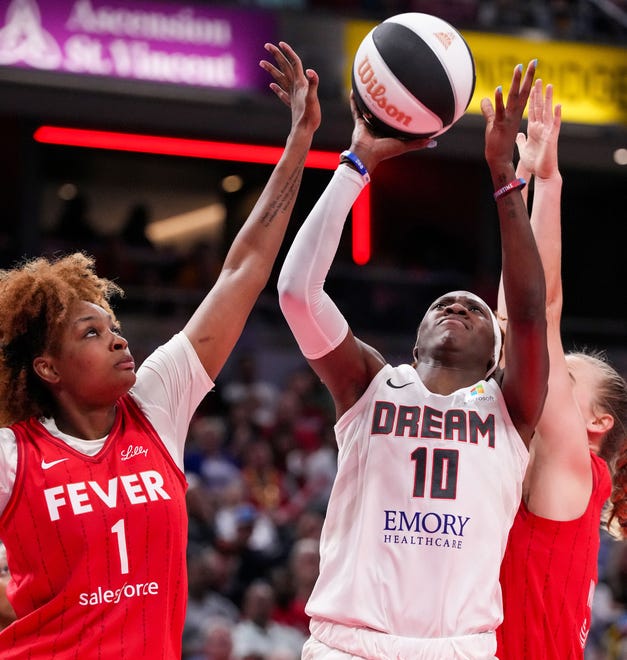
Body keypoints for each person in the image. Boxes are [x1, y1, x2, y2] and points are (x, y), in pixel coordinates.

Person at [0, 41, 320, 659]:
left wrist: (299, 143)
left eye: (113, 323)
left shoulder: (157, 404)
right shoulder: (15, 456)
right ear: (47, 368)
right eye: (90, 334)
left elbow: (242, 272)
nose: (118, 336)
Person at [277, 60, 548, 659]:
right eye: (443, 304)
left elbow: (530, 315)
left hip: (457, 647)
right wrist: (357, 164)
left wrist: (505, 176)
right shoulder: (370, 385)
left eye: (474, 308)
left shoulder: (511, 409)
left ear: (497, 354)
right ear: (416, 337)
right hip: (348, 645)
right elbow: (297, 292)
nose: (456, 305)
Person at [494, 80, 627, 659]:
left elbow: (535, 315)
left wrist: (542, 183)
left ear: (595, 424)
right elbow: (511, 325)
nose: (545, 376)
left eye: (564, 380)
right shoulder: (531, 460)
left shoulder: (580, 470)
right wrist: (527, 183)